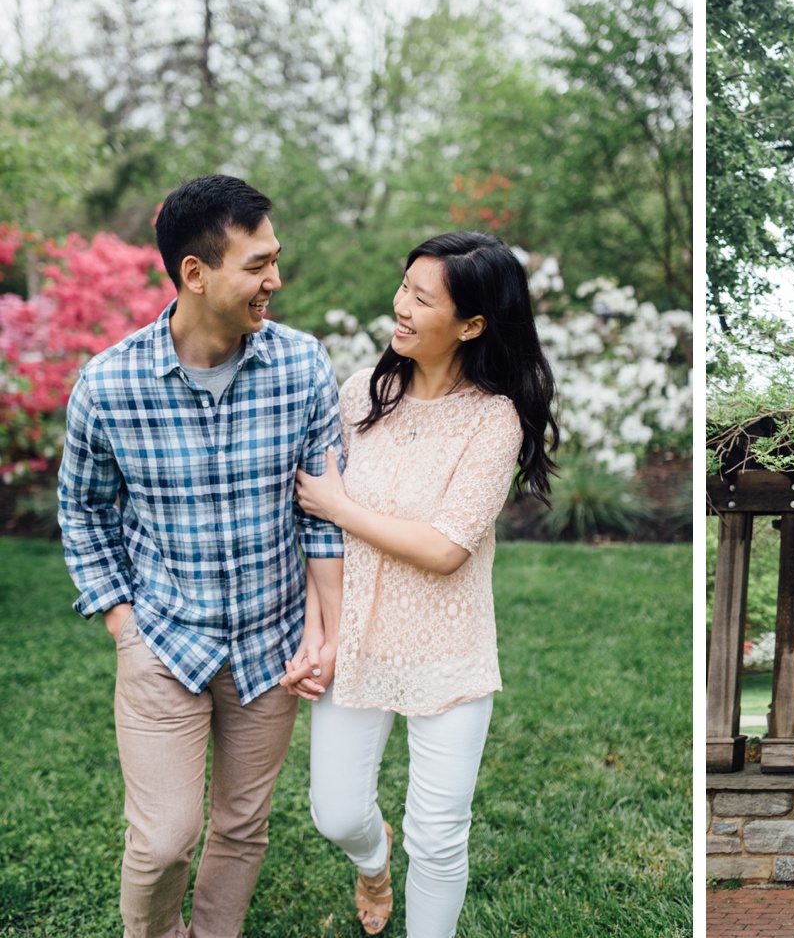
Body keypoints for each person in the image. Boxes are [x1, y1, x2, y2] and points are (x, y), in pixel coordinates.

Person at [58, 174, 344, 938]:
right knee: (161, 840)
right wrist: (122, 618)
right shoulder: (109, 385)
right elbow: (82, 509)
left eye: (274, 260)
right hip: (163, 640)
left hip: (271, 645)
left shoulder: (304, 367)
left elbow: (324, 516)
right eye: (257, 265)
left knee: (243, 824)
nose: (274, 280)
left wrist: (325, 630)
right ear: (195, 273)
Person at [285, 231, 557, 937]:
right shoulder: (360, 394)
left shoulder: (493, 419)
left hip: (449, 649)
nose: (400, 306)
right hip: (356, 639)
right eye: (404, 286)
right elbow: (319, 537)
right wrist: (321, 630)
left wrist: (343, 505)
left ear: (472, 324)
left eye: (421, 297)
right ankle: (373, 864)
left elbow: (444, 549)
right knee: (336, 811)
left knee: (437, 836)